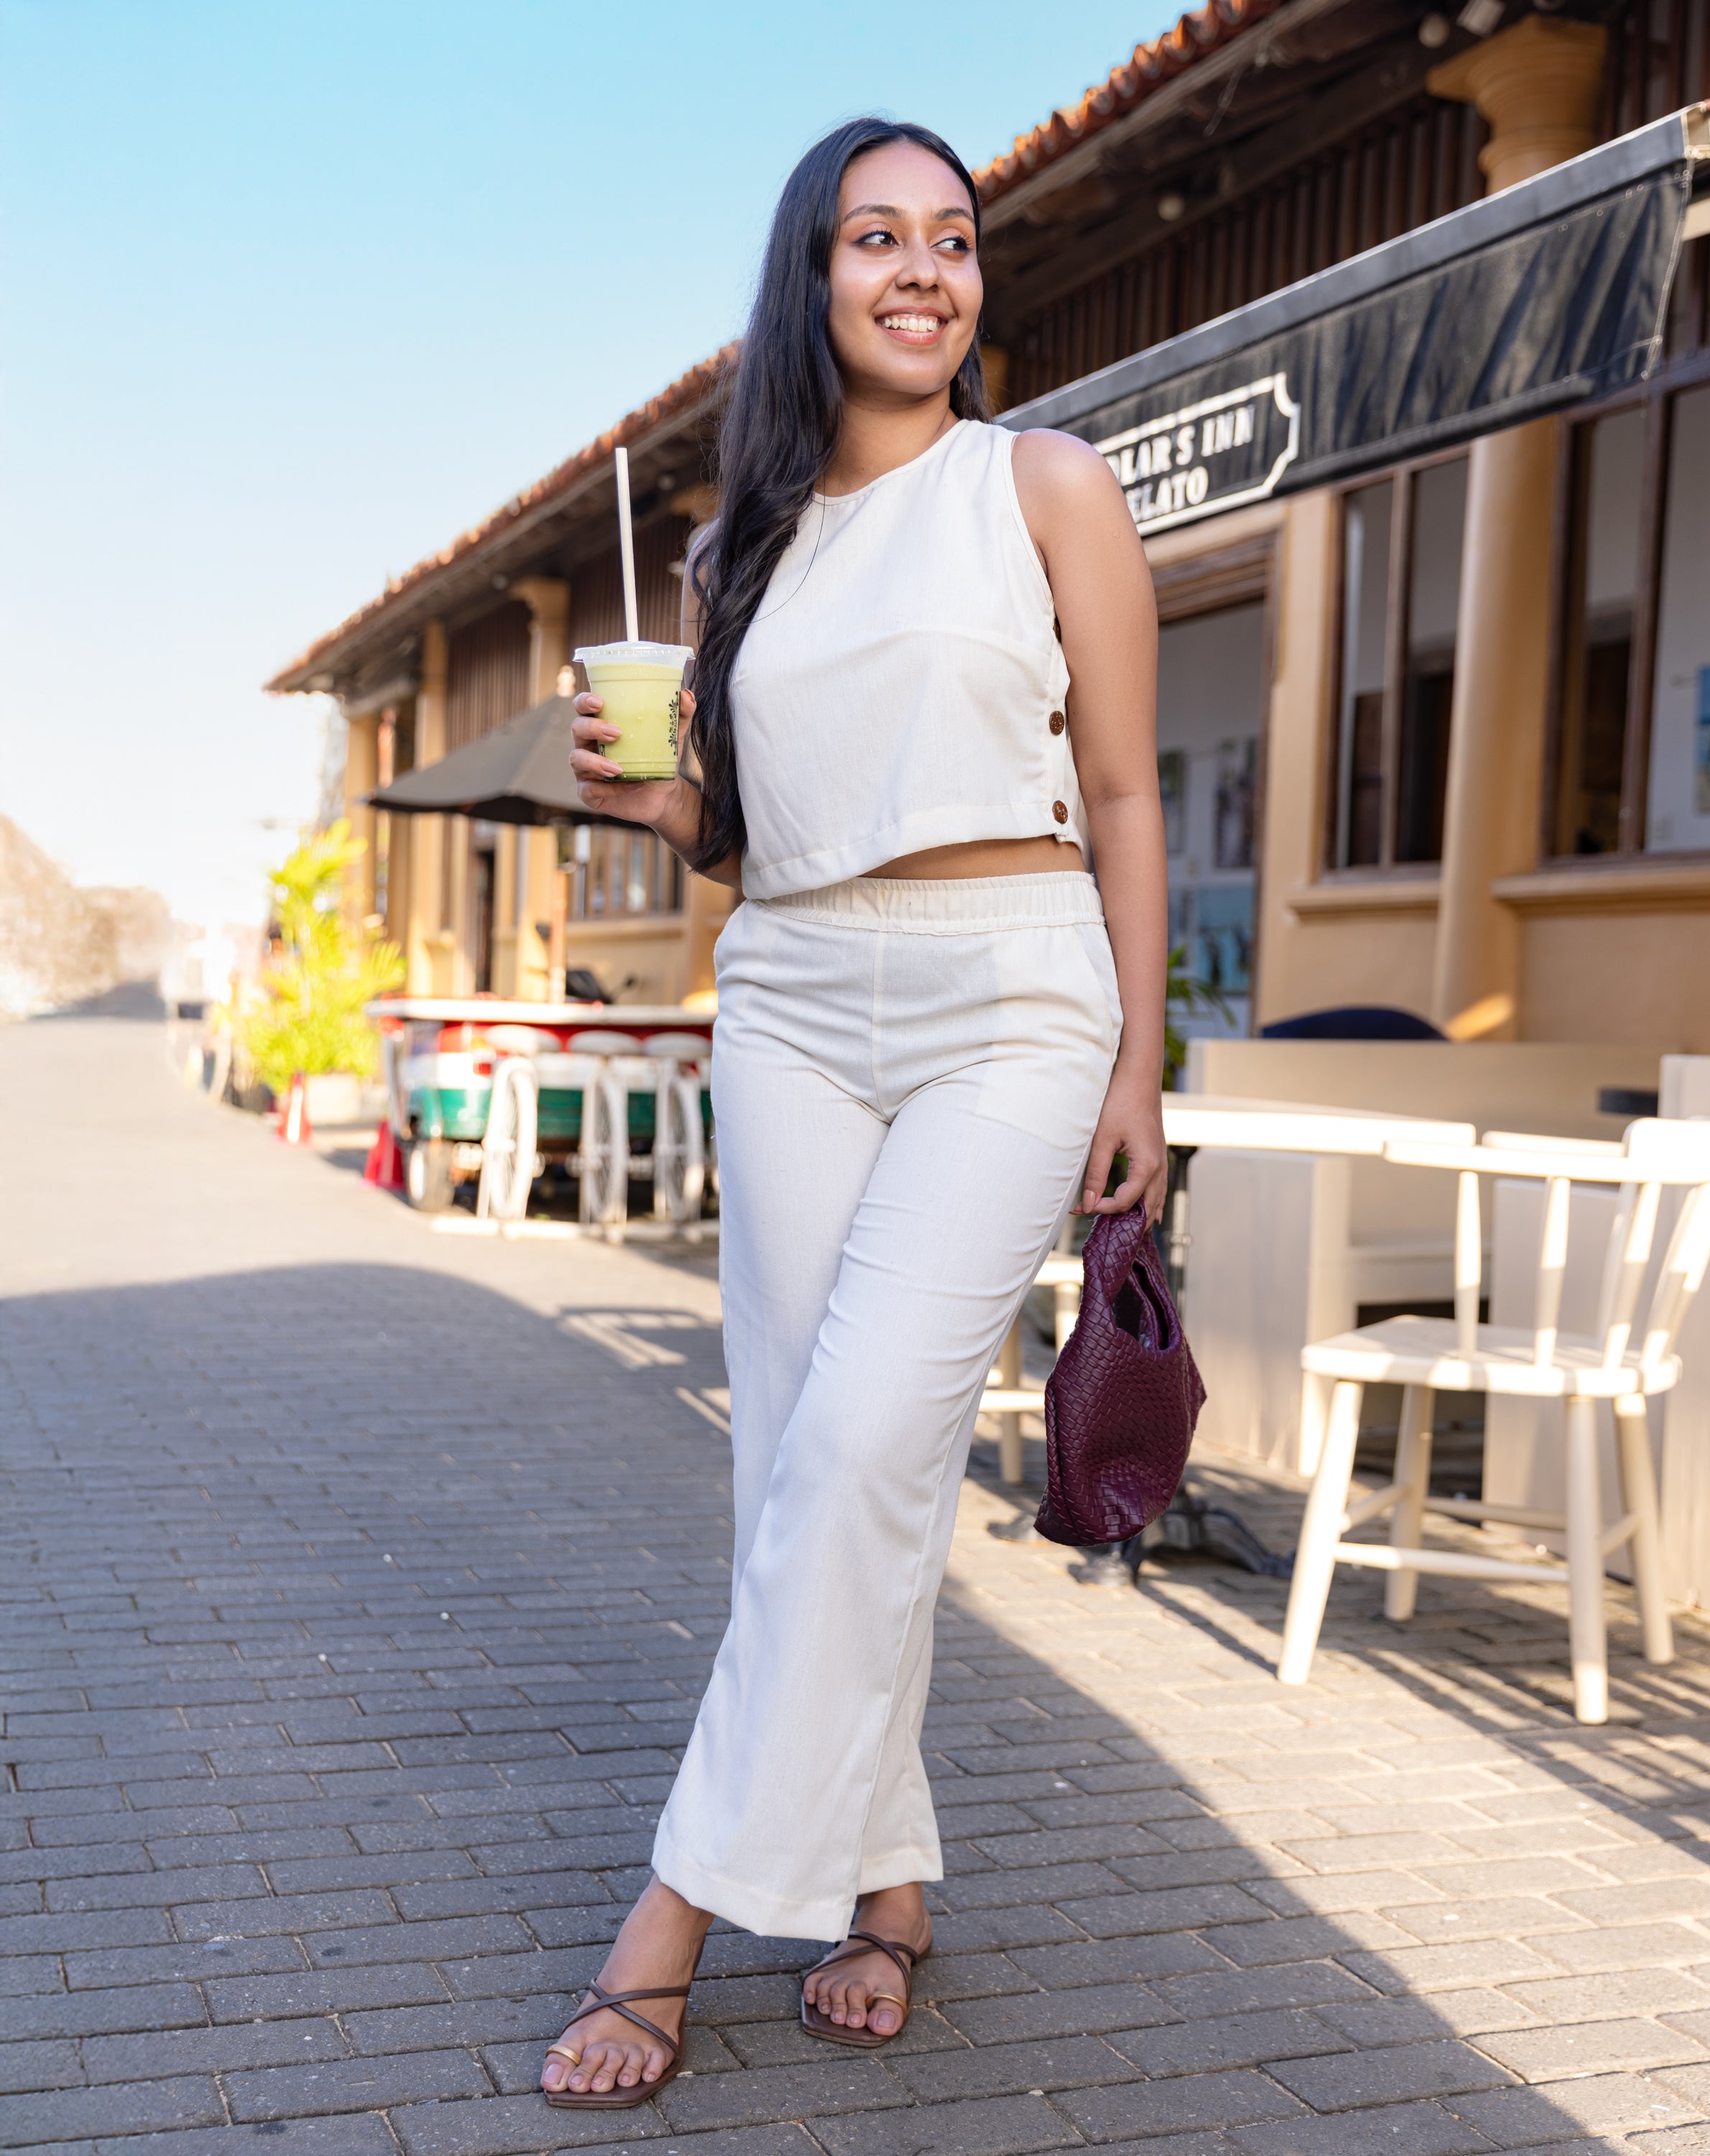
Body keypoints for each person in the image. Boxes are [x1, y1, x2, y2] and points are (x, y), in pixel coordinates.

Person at [542, 114, 1167, 2111]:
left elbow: (1127, 792)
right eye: (876, 238)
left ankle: (672, 1914)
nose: (922, 270)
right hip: (794, 998)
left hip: (1014, 995)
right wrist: (661, 805)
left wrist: (1142, 1063)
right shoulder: (737, 551)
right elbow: (757, 839)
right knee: (801, 1474)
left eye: (952, 240)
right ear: (811, 276)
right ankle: (886, 1885)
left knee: (868, 1442)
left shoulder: (1044, 486)